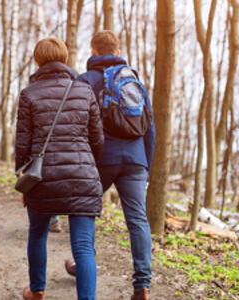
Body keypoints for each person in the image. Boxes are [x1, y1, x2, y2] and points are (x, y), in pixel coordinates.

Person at [66, 30, 156, 300]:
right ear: (117, 51)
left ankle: (82, 264)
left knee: (84, 211)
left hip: (100, 159)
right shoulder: (132, 79)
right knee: (138, 219)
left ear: (93, 50)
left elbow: (76, 125)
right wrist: (146, 166)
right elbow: (149, 127)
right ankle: (142, 283)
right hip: (135, 160)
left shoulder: (85, 80)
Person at [16, 37, 104, 300]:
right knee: (84, 247)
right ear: (65, 59)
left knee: (38, 232)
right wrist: (87, 165)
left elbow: (23, 144)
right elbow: (97, 139)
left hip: (43, 178)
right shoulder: (84, 91)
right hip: (83, 177)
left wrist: (23, 178)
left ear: (38, 60)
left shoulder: (29, 94)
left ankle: (37, 290)